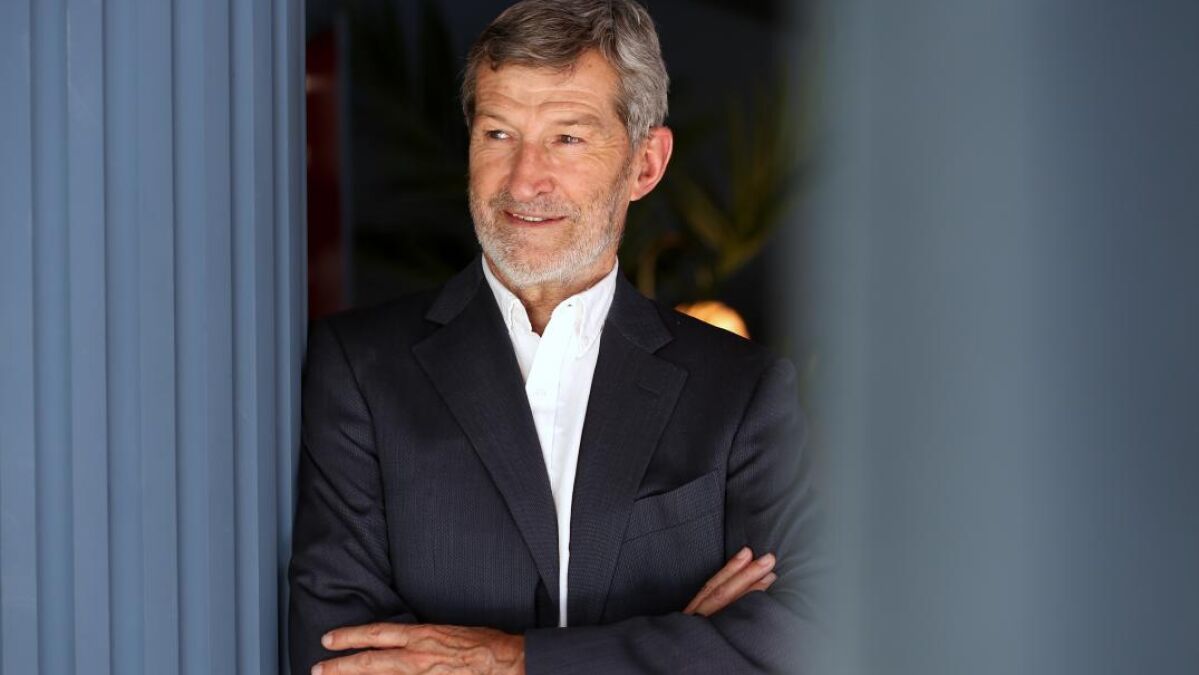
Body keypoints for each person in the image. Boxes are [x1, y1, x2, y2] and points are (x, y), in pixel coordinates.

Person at [288, 1, 818, 672]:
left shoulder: (740, 391)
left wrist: (512, 661)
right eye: (498, 133)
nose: (523, 180)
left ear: (645, 164)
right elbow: (340, 656)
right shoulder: (357, 370)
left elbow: (809, 635)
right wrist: (678, 645)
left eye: (567, 138)